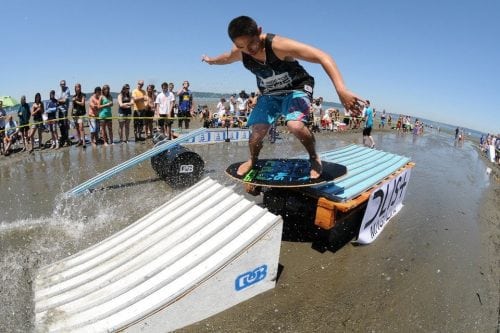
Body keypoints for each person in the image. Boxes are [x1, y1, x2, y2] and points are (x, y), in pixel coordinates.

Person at [202, 15, 365, 178]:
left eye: (252, 42)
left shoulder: (278, 45)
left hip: (297, 88)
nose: (249, 50)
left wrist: (341, 89)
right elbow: (225, 58)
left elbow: (323, 56)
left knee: (295, 125)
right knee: (257, 132)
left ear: (259, 32)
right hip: (270, 94)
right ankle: (253, 159)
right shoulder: (240, 51)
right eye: (242, 46)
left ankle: (314, 157)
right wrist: (210, 61)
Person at [72, 83, 87, 148]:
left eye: (79, 87)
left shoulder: (83, 95)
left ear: (80, 88)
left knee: (81, 128)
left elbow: (83, 104)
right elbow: (73, 106)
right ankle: (79, 141)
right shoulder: (74, 96)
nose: (78, 88)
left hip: (81, 114)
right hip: (75, 114)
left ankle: (83, 142)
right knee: (77, 128)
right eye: (77, 87)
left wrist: (76, 101)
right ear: (75, 89)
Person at [57, 80, 71, 147]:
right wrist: (60, 101)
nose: (62, 85)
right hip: (59, 110)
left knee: (65, 125)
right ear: (60, 85)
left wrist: (59, 101)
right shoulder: (59, 91)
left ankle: (66, 140)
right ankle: (63, 139)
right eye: (61, 84)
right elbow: (57, 101)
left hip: (64, 110)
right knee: (61, 125)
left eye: (63, 84)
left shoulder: (67, 90)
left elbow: (64, 101)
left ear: (65, 84)